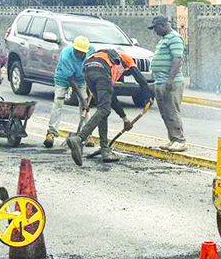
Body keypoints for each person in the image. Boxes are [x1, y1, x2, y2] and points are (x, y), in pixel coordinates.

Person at [66, 47, 153, 166]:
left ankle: (104, 148)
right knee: (104, 110)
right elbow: (141, 79)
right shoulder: (126, 59)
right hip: (101, 70)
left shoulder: (110, 61)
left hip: (88, 69)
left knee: (103, 110)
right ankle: (79, 138)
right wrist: (149, 96)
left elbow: (111, 98)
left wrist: (124, 118)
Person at [148, 15, 187, 152]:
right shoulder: (164, 39)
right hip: (160, 82)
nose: (155, 31)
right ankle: (173, 139)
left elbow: (177, 59)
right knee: (165, 112)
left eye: (156, 28)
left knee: (172, 111)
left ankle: (180, 140)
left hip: (170, 82)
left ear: (163, 25)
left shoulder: (175, 38)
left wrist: (169, 80)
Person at [44, 34, 90, 148]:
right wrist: (83, 99)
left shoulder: (91, 52)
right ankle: (51, 133)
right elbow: (71, 79)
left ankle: (86, 134)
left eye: (82, 52)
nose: (80, 54)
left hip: (81, 79)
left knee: (85, 106)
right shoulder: (66, 56)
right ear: (74, 48)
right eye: (77, 51)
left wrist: (86, 98)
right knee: (58, 104)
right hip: (63, 78)